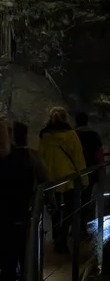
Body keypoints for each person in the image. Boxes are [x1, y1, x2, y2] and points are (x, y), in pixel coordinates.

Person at [0, 119, 49, 280]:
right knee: (20, 255)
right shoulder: (24, 158)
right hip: (17, 215)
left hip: (10, 216)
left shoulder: (15, 159)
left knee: (9, 260)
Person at [38, 107, 88, 254]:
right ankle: (62, 239)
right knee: (69, 210)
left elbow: (41, 157)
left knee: (54, 210)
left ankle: (55, 238)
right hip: (69, 179)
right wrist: (84, 179)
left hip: (51, 179)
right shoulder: (71, 135)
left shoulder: (44, 136)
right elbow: (78, 158)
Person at [75, 112, 104, 232]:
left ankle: (75, 225)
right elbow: (99, 152)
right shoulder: (93, 135)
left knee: (75, 198)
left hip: (75, 170)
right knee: (86, 197)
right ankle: (83, 224)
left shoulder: (73, 134)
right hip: (90, 169)